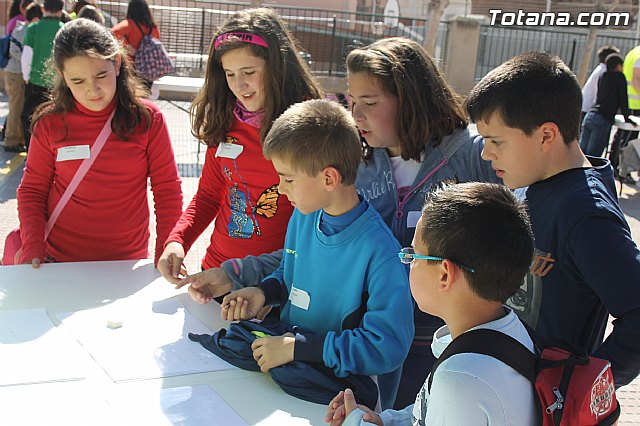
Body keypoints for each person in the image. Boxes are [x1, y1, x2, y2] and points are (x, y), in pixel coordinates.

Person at [176, 36, 497, 409]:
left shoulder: (472, 155)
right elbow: (298, 265)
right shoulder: (335, 185)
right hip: (325, 377)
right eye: (353, 101)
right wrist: (257, 285)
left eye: (370, 103)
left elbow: (383, 343)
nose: (356, 115)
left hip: (433, 344)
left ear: (409, 99)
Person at [217, 99, 414, 410]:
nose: (280, 189)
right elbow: (291, 273)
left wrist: (300, 348)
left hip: (342, 403)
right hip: (291, 382)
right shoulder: (305, 215)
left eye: (288, 178)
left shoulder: (382, 254)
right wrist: (264, 292)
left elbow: (386, 347)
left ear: (328, 179)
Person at [465, 51, 640, 388]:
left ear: (546, 135)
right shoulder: (536, 182)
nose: (486, 153)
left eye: (496, 141)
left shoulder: (587, 214)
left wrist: (582, 391)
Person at [326, 182, 536, 426]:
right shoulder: (508, 331)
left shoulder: (461, 380)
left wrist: (355, 423)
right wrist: (385, 421)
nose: (409, 261)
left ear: (445, 274)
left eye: (414, 255)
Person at [157, 8, 322, 281]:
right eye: (229, 74)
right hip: (215, 274)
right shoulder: (226, 118)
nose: (239, 85)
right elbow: (208, 195)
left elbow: (321, 217)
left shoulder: (310, 125)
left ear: (278, 66)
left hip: (276, 283)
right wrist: (177, 240)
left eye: (249, 71)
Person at [16, 18, 183, 267]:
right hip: (58, 258)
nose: (93, 90)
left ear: (116, 63)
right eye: (78, 81)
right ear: (62, 76)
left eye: (101, 75)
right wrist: (32, 246)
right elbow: (32, 190)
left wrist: (167, 248)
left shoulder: (148, 119)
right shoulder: (49, 122)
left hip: (125, 261)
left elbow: (167, 189)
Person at [20, 0, 64, 150]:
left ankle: (31, 150)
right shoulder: (63, 29)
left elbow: (26, 57)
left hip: (36, 82)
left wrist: (26, 77)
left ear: (44, 8)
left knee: (29, 117)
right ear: (61, 10)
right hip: (57, 84)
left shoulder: (33, 29)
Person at [3, 1, 39, 153]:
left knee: (18, 107)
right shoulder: (24, 30)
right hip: (15, 74)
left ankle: (16, 139)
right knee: (16, 108)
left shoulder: (21, 28)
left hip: (16, 73)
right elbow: (15, 50)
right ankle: (10, 140)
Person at [580, 53, 632, 157]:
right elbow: (623, 99)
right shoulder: (620, 77)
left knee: (581, 154)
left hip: (590, 115)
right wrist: (627, 117)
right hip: (603, 119)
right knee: (593, 157)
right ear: (618, 66)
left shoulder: (602, 76)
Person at [111, 0, 159, 89]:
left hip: (131, 66)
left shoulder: (129, 24)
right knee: (145, 97)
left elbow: (113, 32)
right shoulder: (154, 27)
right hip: (148, 68)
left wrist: (126, 46)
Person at [610, 44, 640, 183]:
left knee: (622, 136)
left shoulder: (633, 52)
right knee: (629, 140)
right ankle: (621, 169)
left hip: (629, 102)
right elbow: (636, 79)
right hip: (636, 103)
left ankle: (615, 165)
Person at [581, 45, 620, 122]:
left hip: (585, 106)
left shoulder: (600, 69)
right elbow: (598, 91)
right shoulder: (604, 71)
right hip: (588, 108)